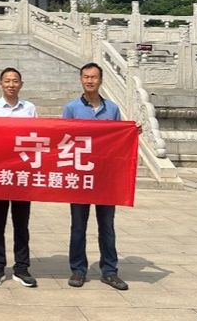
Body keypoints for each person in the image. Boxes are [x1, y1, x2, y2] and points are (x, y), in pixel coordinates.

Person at [62, 62, 129, 291]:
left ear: (101, 80)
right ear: (81, 79)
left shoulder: (112, 109)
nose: (90, 81)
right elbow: (64, 140)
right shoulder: (71, 109)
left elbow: (119, 140)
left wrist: (131, 132)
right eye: (86, 77)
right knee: (78, 226)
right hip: (80, 176)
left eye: (94, 77)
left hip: (105, 178)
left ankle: (109, 271)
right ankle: (78, 270)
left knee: (107, 226)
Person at [0, 67, 38, 287]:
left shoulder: (29, 108)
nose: (11, 85)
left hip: (22, 173)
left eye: (15, 81)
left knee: (21, 223)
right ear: (0, 84)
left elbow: (37, 137)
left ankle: (22, 267)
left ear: (21, 84)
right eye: (7, 81)